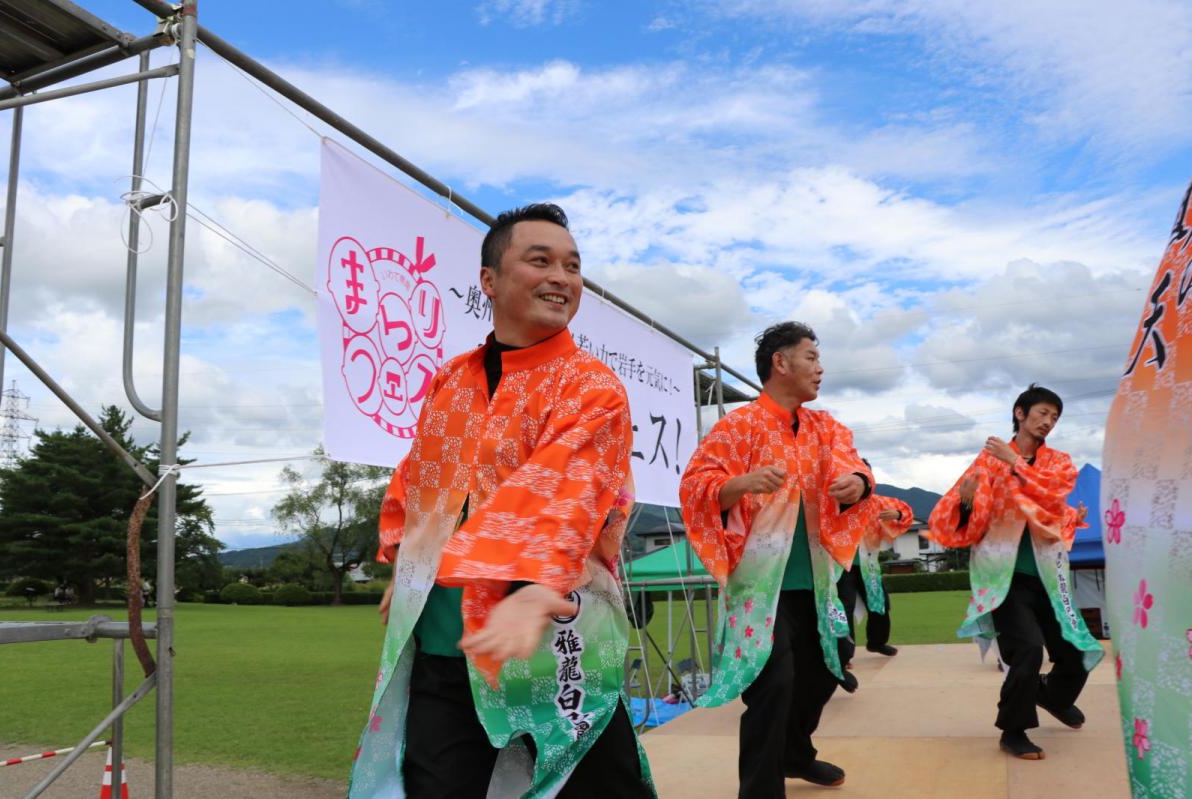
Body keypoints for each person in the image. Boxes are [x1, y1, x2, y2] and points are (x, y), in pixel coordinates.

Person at [348, 203, 653, 798]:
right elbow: (418, 480)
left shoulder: (591, 386)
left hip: (555, 642)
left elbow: (574, 485)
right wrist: (405, 564)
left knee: (597, 784)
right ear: (489, 280)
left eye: (572, 265)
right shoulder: (450, 381)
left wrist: (538, 585)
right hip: (448, 641)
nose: (561, 278)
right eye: (540, 261)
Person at [680, 321, 876, 797]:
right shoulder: (737, 427)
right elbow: (694, 486)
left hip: (816, 585)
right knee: (773, 689)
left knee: (826, 672)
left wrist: (859, 483)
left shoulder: (825, 427)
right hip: (760, 591)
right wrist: (738, 484)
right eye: (811, 356)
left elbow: (855, 463)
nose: (819, 367)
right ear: (780, 363)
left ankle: (795, 753)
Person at [928, 384, 1100, 761]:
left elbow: (1053, 496)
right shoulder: (987, 461)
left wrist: (1019, 466)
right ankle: (1014, 730)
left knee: (1077, 651)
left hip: (1049, 576)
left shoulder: (1058, 461)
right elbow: (958, 515)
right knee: (1027, 650)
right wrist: (969, 502)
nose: (1048, 422)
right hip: (1003, 577)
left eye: (1054, 417)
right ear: (1020, 414)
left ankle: (1049, 695)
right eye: (1041, 413)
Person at [836, 473, 913, 667]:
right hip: (839, 564)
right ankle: (843, 656)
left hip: (868, 564)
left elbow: (905, 510)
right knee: (843, 609)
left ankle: (877, 642)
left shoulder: (876, 503)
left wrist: (899, 514)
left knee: (880, 604)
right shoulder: (833, 502)